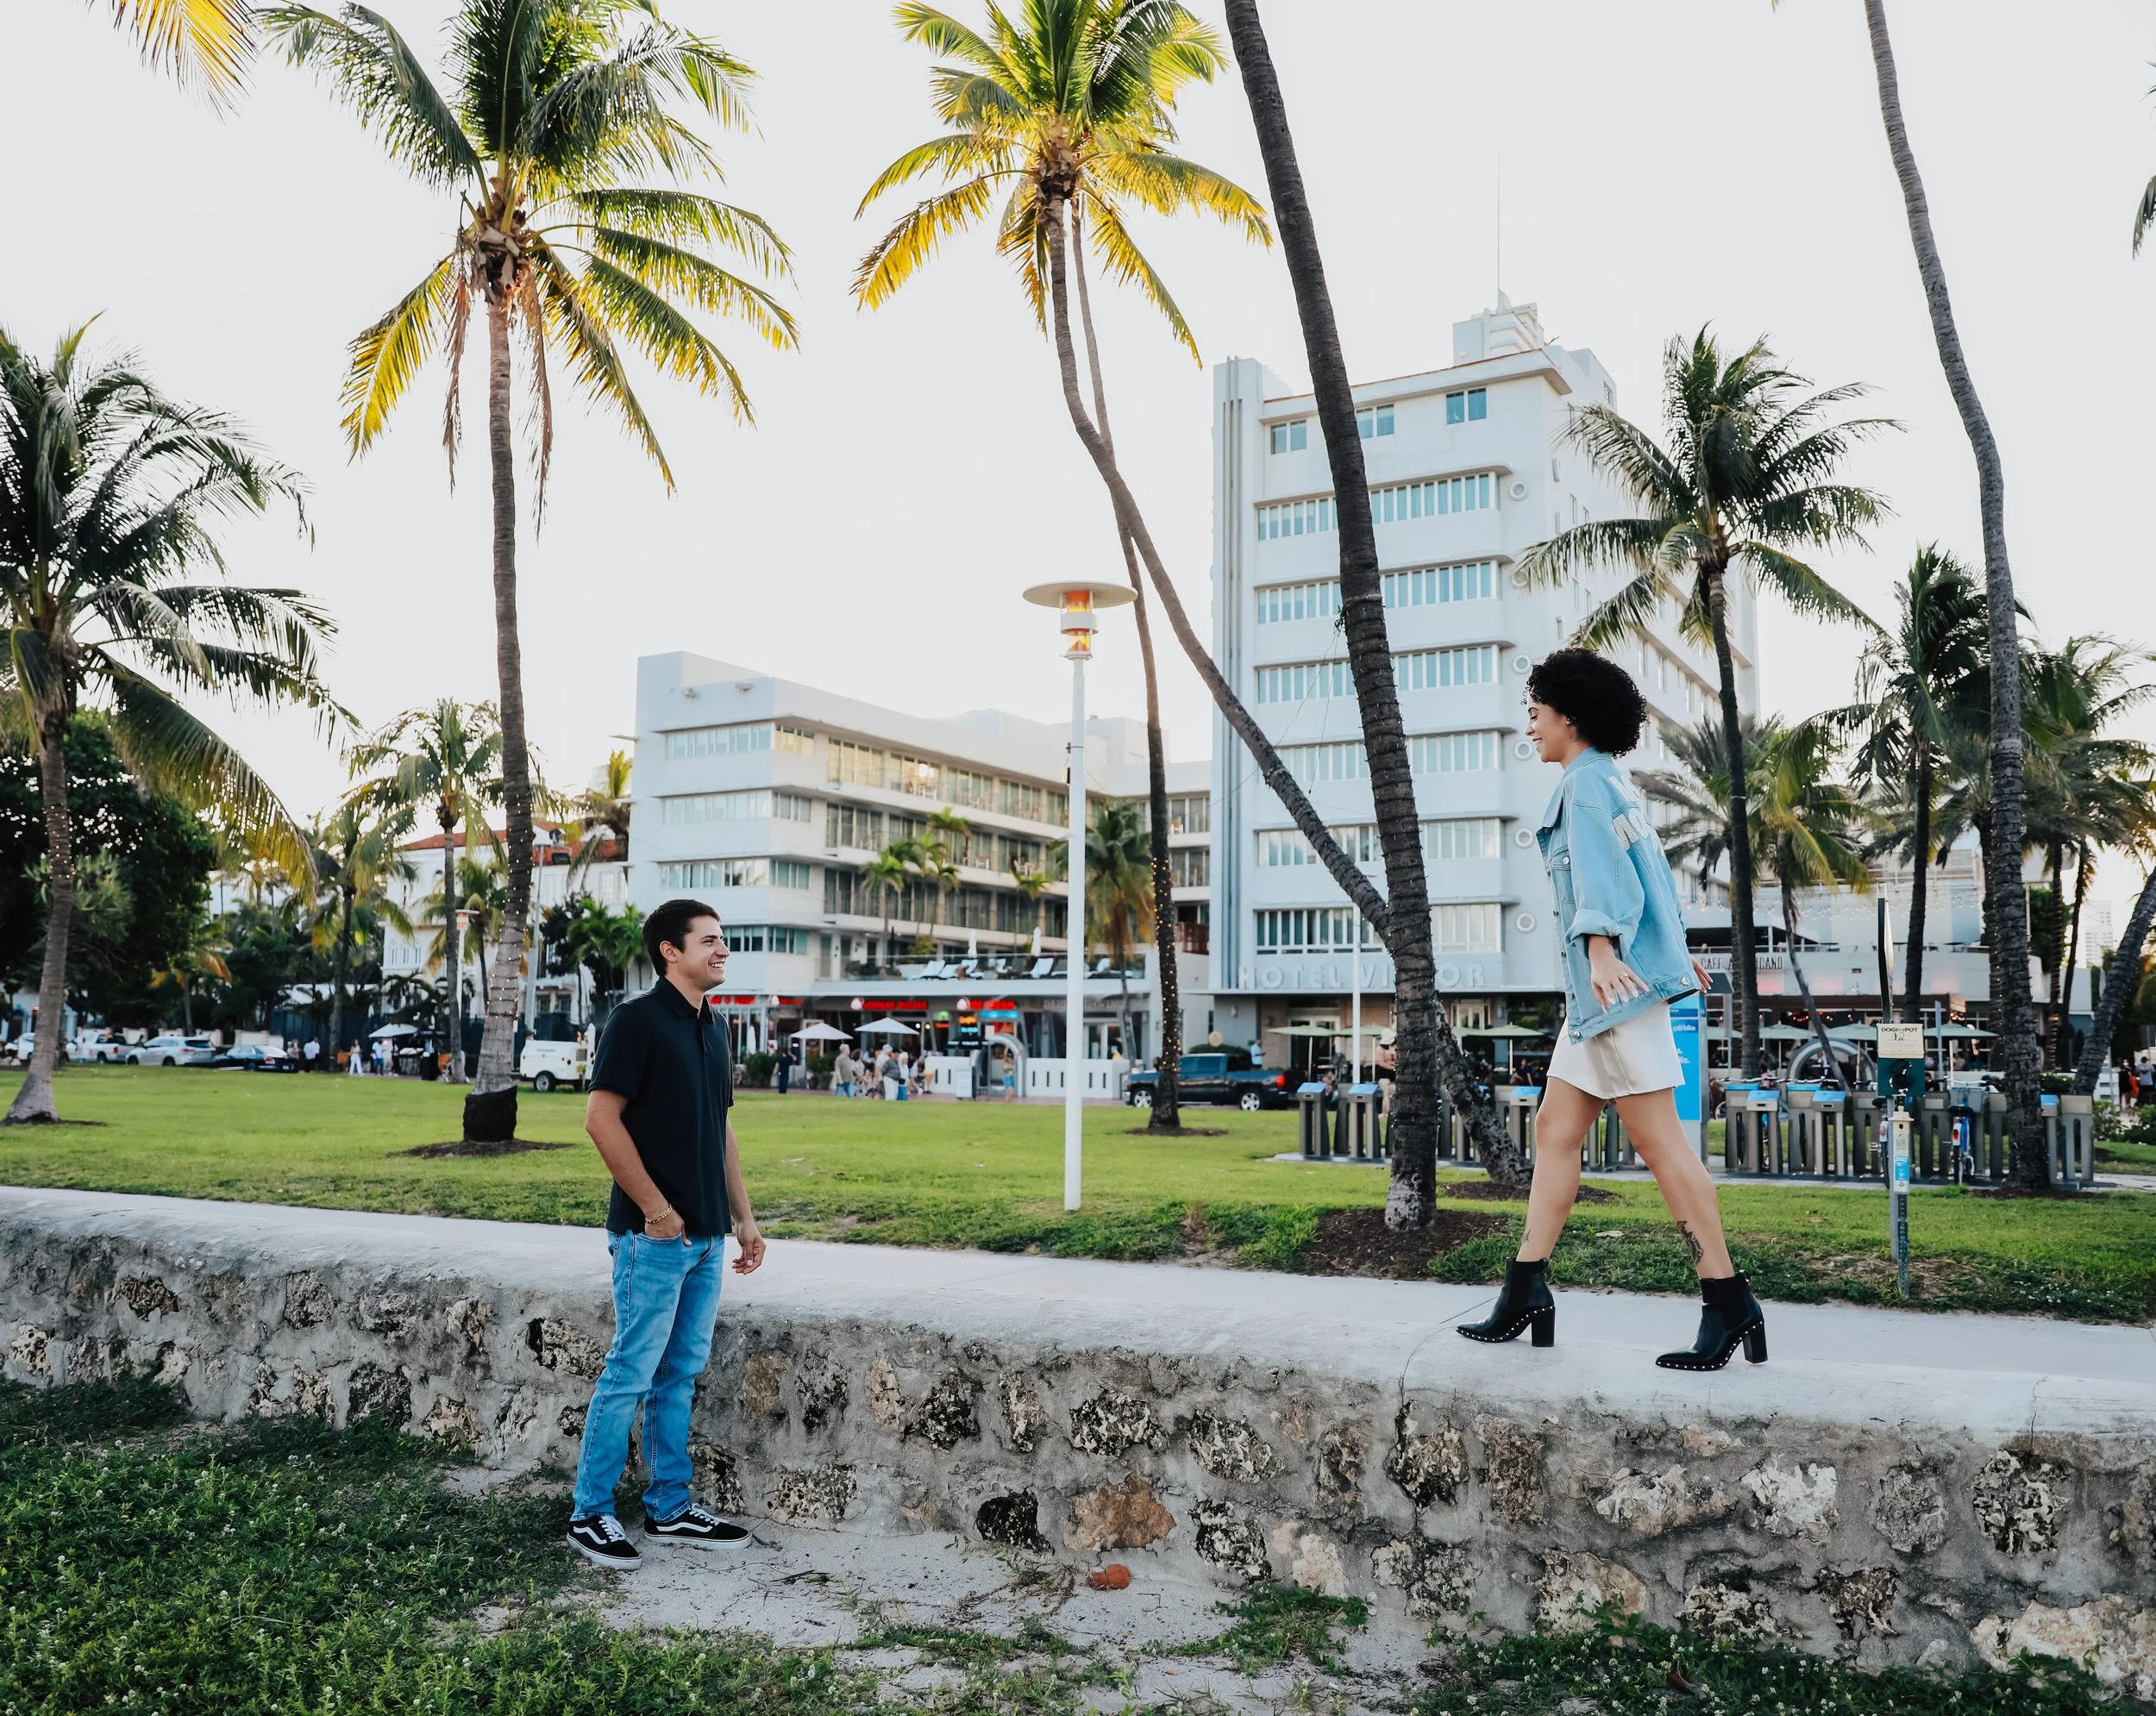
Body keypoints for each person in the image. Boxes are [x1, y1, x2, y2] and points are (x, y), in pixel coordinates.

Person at [1460, 648, 1767, 1372]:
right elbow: (1650, 880)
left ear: (1570, 715)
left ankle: (1727, 1300)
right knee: (1556, 1129)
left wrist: (1601, 950)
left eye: (1536, 714)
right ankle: (1526, 1288)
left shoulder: (1584, 790)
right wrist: (1669, 951)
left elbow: (1602, 882)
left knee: (1661, 1145)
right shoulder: (1610, 783)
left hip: (1611, 991)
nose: (1530, 727)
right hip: (1603, 997)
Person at [566, 898, 766, 1571]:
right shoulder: (637, 1021)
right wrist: (655, 1210)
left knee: (679, 1374)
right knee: (630, 1371)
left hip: (707, 1237)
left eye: (723, 939)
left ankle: (669, 1506)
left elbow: (722, 1129)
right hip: (652, 1239)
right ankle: (589, 1513)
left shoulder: (715, 1026)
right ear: (670, 952)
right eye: (710, 940)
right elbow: (600, 1120)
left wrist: (744, 1218)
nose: (723, 950)